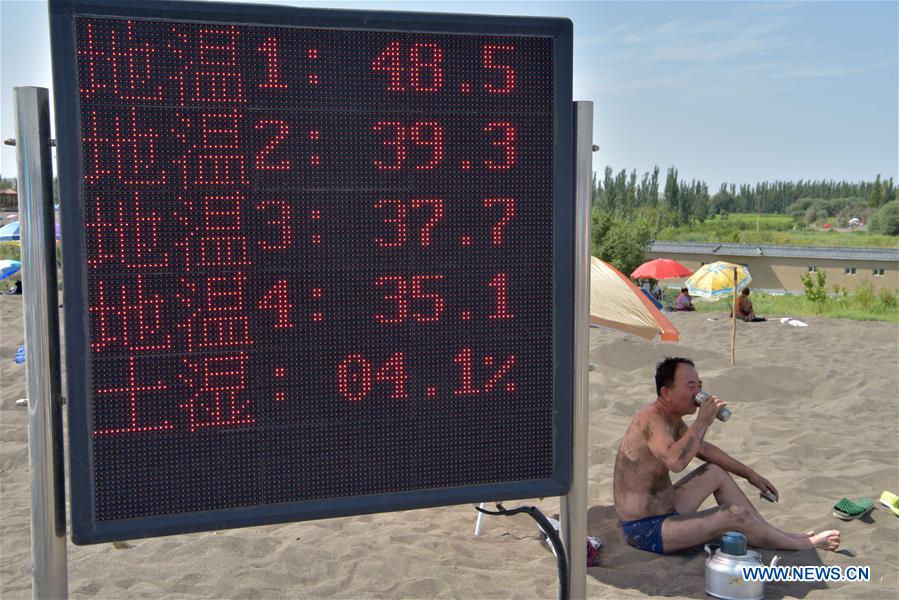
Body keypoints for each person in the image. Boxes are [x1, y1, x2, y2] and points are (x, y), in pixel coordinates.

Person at [612, 357, 840, 554]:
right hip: (645, 530)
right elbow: (675, 461)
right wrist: (703, 420)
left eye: (699, 385)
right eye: (691, 386)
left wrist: (751, 475)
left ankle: (779, 535)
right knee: (732, 515)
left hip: (666, 510)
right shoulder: (651, 419)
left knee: (714, 471)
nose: (698, 392)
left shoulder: (672, 419)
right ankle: (801, 545)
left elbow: (705, 450)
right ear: (666, 392)